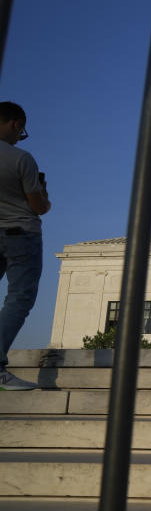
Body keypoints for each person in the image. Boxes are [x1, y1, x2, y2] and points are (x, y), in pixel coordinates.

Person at [0, 103, 49, 391]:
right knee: (18, 298)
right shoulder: (20, 159)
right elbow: (38, 206)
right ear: (16, 124)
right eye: (22, 131)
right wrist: (45, 197)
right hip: (20, 234)